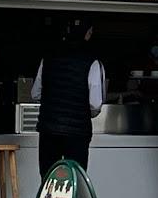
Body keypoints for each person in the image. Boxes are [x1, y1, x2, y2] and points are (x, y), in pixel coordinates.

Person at [33, 18, 105, 174]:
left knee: (49, 178)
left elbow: (35, 93)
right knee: (75, 179)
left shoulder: (48, 58)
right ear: (88, 34)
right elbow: (95, 104)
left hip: (49, 129)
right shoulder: (92, 62)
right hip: (78, 132)